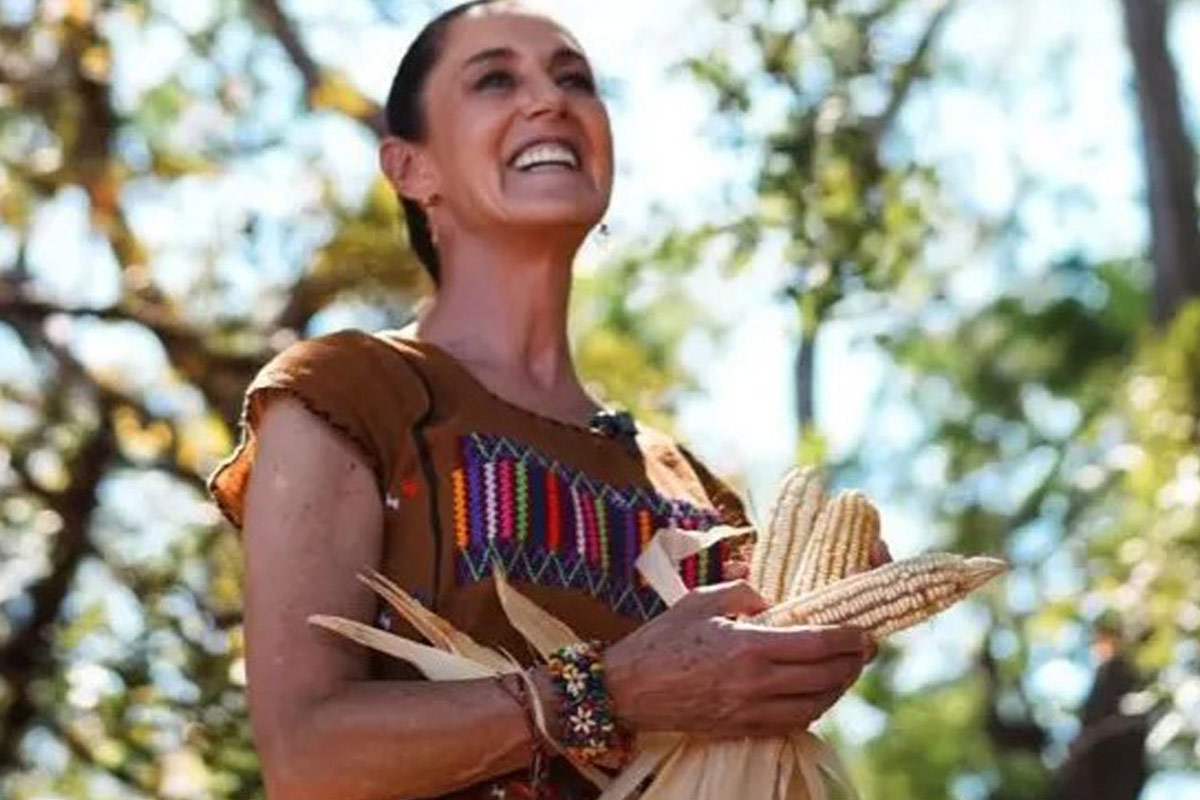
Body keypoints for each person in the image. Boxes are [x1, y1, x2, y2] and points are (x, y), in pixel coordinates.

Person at [208, 2, 885, 798]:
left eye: (575, 80)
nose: (550, 100)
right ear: (411, 168)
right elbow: (306, 757)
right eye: (495, 80)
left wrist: (808, 649)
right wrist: (614, 689)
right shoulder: (348, 392)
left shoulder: (695, 492)